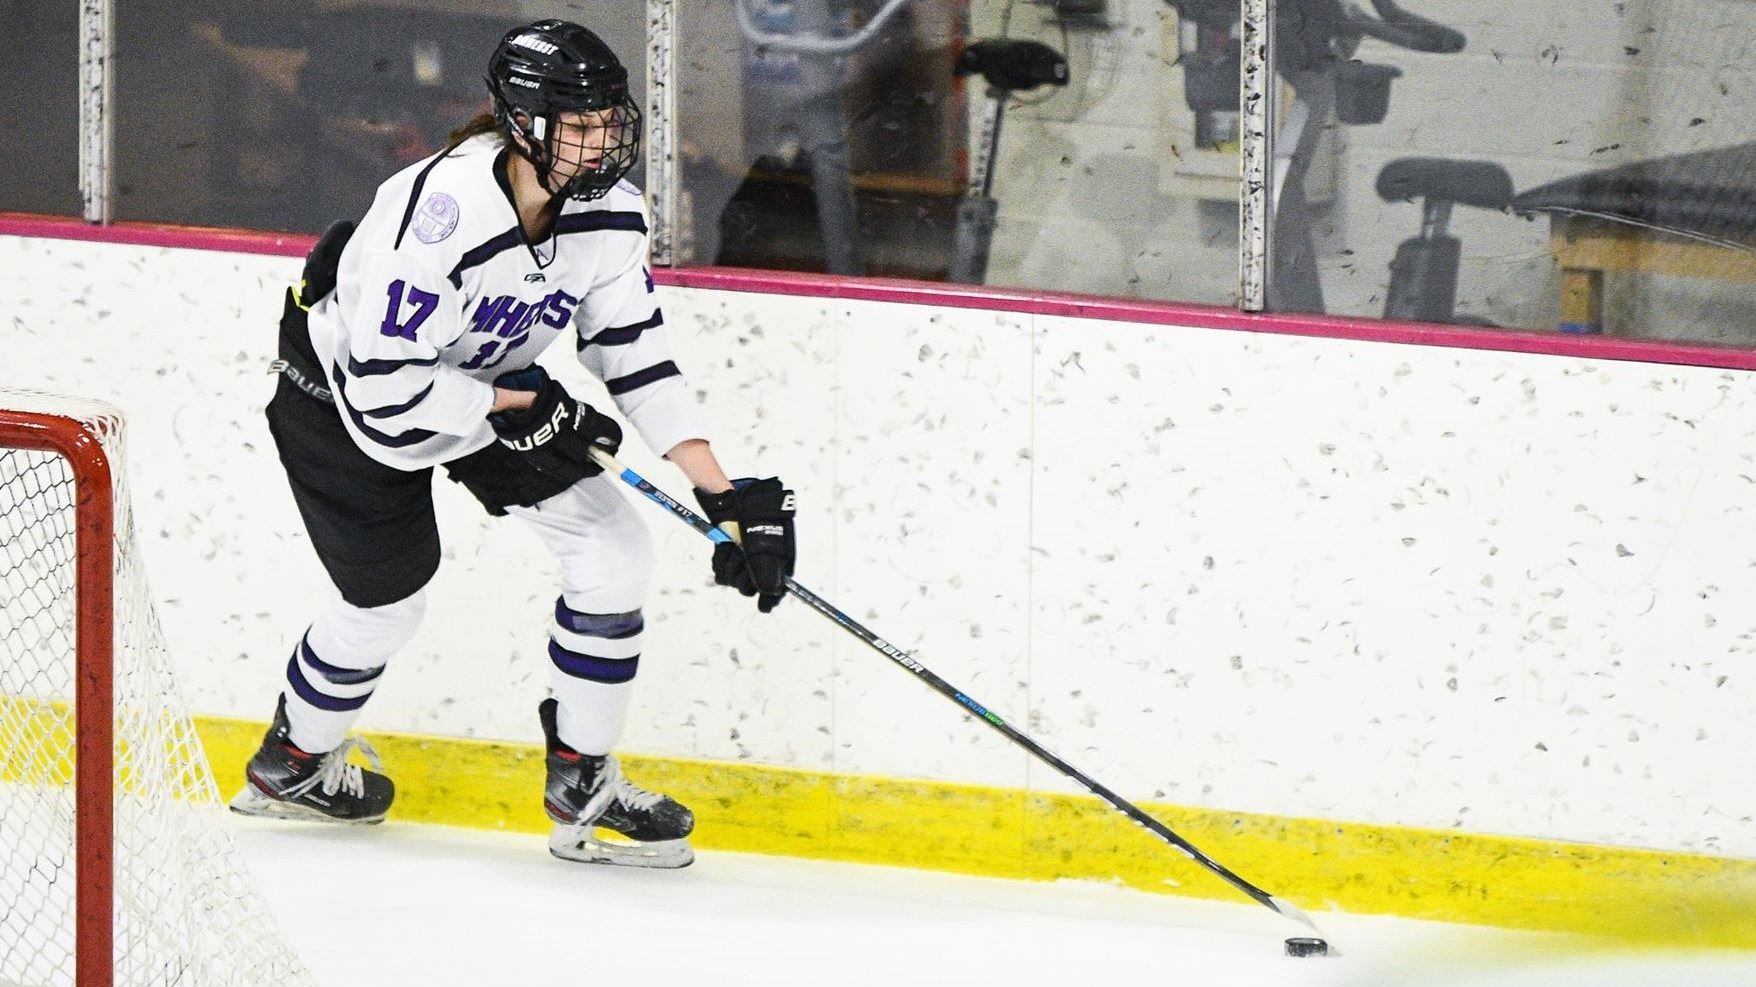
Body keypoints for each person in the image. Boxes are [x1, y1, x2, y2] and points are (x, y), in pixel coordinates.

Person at [229, 18, 797, 870]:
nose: (605, 139)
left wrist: (720, 490)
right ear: (522, 123)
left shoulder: (608, 212)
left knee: (613, 547)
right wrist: (508, 403)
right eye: (582, 122)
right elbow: (386, 391)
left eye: (612, 119)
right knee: (387, 603)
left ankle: (583, 785)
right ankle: (294, 762)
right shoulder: (436, 219)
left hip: (491, 382)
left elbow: (633, 349)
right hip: (345, 394)